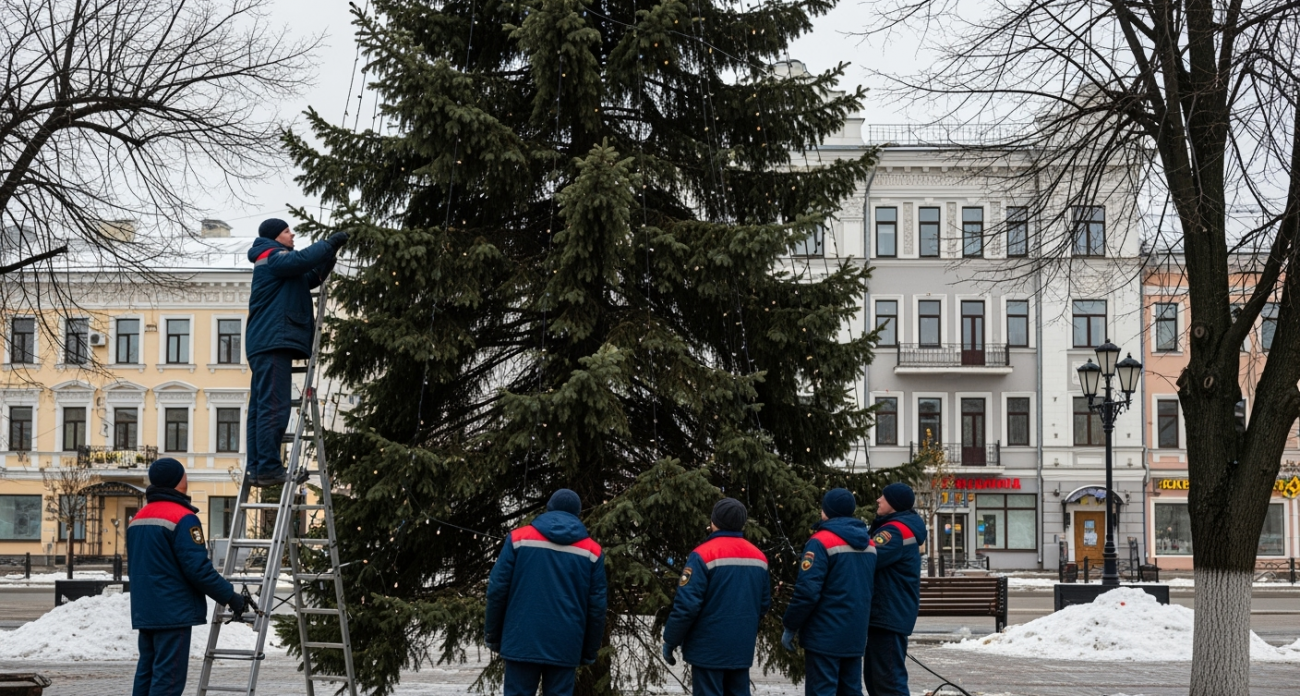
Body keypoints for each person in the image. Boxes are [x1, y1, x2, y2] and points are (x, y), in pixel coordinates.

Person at [127, 457, 246, 696]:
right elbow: (198, 569)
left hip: (145, 609)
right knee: (168, 679)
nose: (187, 479)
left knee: (146, 672)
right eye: (184, 475)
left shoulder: (138, 518)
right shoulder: (183, 518)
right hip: (173, 611)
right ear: (177, 481)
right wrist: (231, 597)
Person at [245, 218, 348, 486]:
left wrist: (330, 254)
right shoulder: (272, 257)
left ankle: (258, 468)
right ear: (275, 237)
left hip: (265, 341)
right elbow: (301, 261)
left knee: (261, 407)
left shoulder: (279, 264)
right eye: (286, 231)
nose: (292, 234)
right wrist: (330, 242)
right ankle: (268, 468)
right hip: (272, 341)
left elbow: (310, 277)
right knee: (273, 407)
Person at [485, 489, 608, 696]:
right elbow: (597, 606)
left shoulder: (518, 539)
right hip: (566, 643)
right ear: (577, 513)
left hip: (521, 639)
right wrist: (589, 649)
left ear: (549, 507)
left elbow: (498, 589)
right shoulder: (592, 551)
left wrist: (493, 634)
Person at [662, 498, 771, 696]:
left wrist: (671, 639)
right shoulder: (759, 558)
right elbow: (763, 605)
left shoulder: (702, 555)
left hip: (708, 649)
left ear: (714, 522)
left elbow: (686, 606)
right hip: (740, 647)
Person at [781, 488, 876, 696]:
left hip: (824, 633)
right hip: (855, 632)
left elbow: (808, 591)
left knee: (822, 690)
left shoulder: (820, 542)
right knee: (851, 690)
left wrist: (790, 624)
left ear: (827, 511)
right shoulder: (869, 544)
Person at [863, 483, 927, 696]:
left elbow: (868, 559)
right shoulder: (898, 527)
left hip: (888, 614)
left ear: (894, 503)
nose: (878, 500)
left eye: (883, 496)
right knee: (877, 679)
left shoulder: (894, 531)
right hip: (889, 613)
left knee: (888, 681)